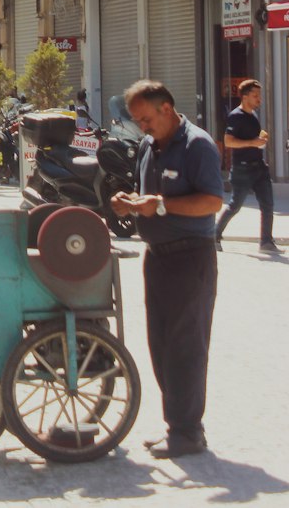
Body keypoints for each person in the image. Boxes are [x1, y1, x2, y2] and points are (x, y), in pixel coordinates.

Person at [111, 79, 224, 460]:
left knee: (186, 347)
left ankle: (188, 431)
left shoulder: (198, 145)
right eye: (137, 121)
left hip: (191, 257)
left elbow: (211, 202)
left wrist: (160, 205)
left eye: (145, 119)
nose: (142, 126)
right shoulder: (148, 144)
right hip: (157, 256)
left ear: (166, 108)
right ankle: (177, 425)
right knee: (160, 345)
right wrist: (130, 201)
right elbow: (150, 195)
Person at [214, 79, 278, 253]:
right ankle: (214, 236)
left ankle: (266, 242)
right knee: (235, 205)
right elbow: (228, 141)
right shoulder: (236, 116)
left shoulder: (253, 115)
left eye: (260, 95)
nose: (259, 99)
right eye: (255, 95)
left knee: (268, 204)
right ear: (244, 96)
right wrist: (252, 142)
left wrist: (259, 142)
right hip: (243, 169)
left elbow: (251, 141)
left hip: (259, 167)